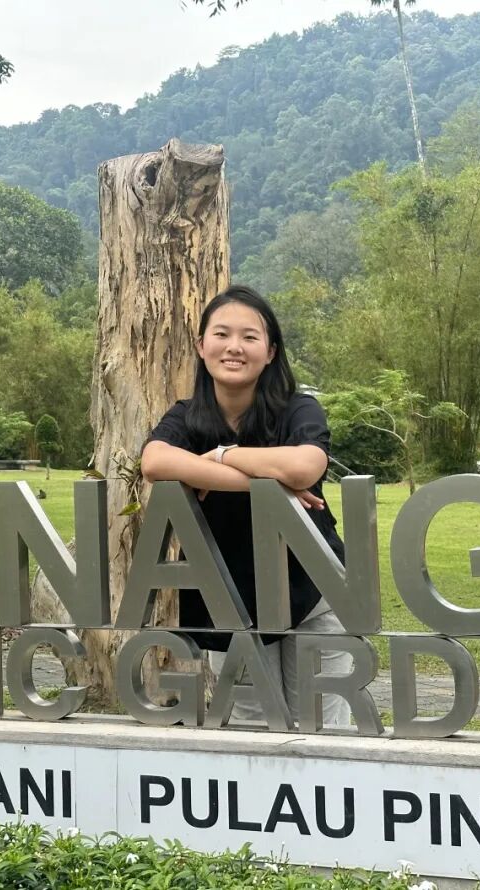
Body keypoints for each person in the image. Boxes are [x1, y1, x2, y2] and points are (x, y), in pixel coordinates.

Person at [141, 284, 351, 728]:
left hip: (312, 591)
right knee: (252, 733)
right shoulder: (186, 416)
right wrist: (266, 482)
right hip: (231, 598)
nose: (234, 346)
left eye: (249, 336)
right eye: (222, 334)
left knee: (323, 733)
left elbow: (305, 467)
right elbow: (155, 461)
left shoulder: (298, 410)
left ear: (270, 351)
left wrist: (220, 457)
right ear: (201, 345)